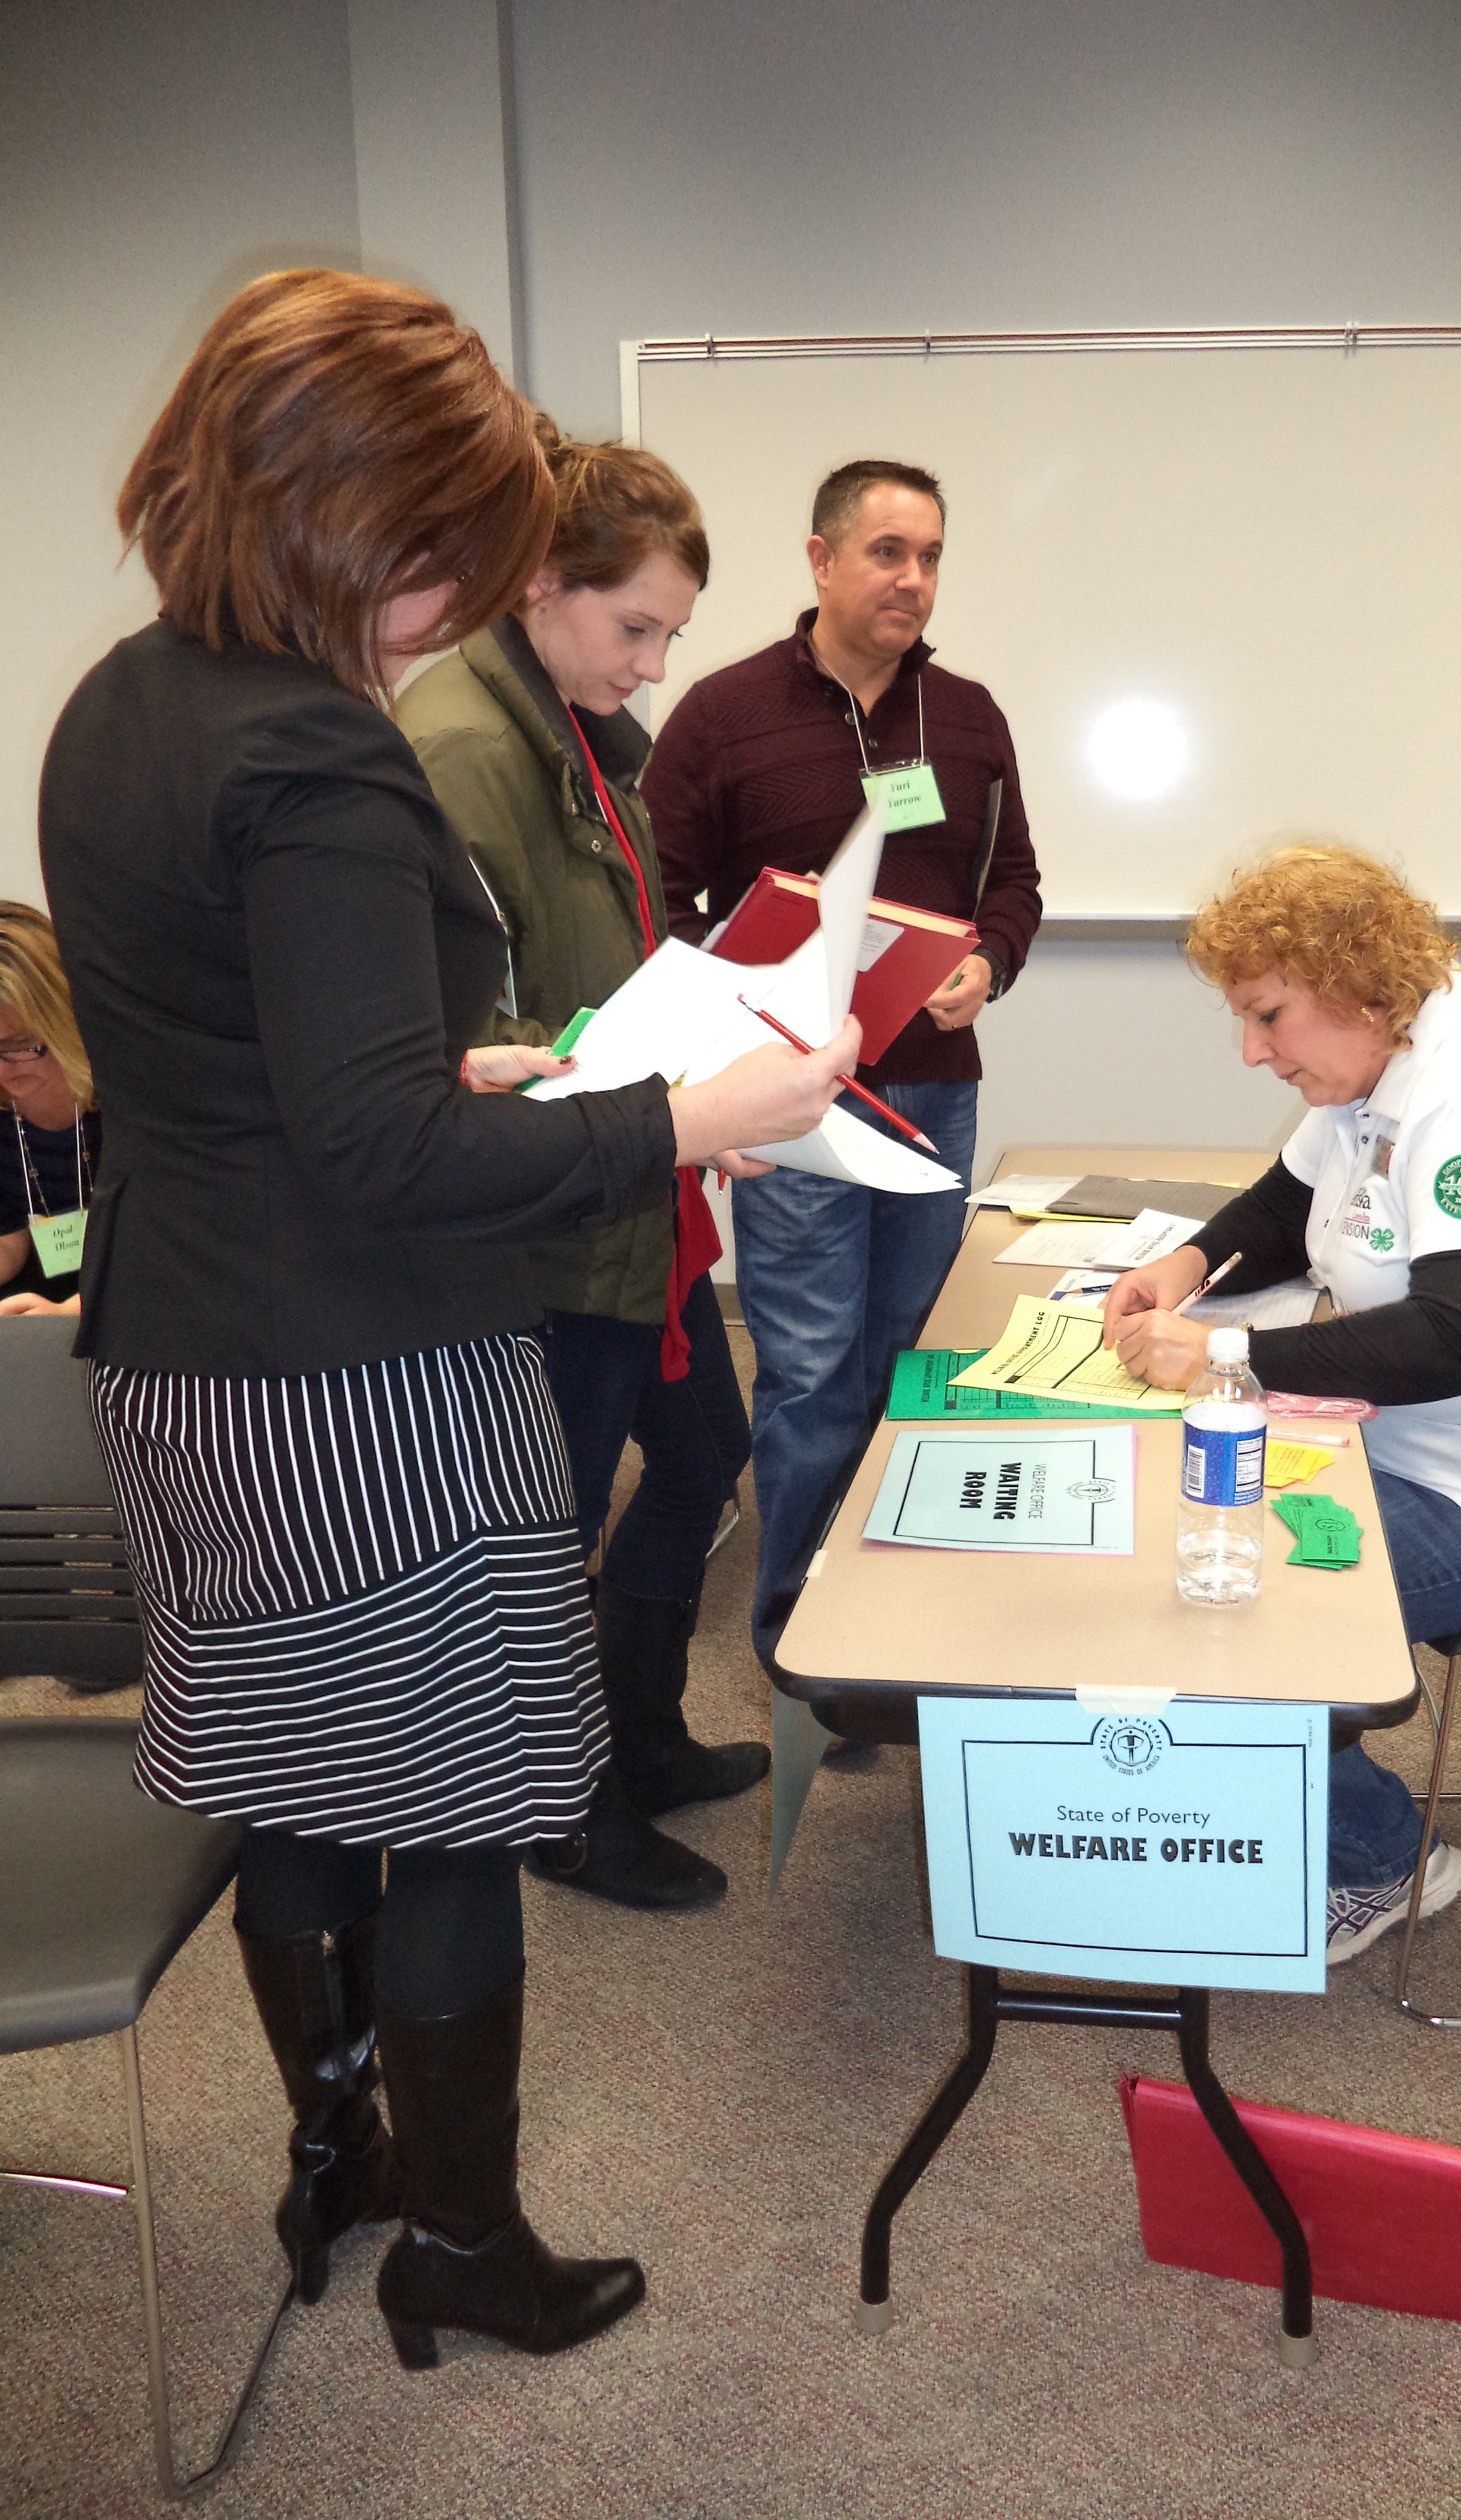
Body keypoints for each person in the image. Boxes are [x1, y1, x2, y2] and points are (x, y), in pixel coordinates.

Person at [38, 268, 857, 2370]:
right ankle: (464, 2240)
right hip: (363, 1373)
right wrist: (692, 1112)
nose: (450, 603)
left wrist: (456, 1066)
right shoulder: (320, 753)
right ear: (349, 517)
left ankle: (343, 2157)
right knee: (463, 1800)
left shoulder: (124, 699)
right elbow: (380, 1161)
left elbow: (260, 1073)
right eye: (439, 560)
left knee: (298, 1787)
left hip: (185, 1352)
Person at [1103, 842, 1461, 1964]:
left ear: (1358, 985)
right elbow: (1284, 1200)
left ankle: (1384, 1861)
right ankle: (1260, 1787)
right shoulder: (1381, 1062)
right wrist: (1187, 1266)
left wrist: (1226, 1353)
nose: (1254, 1052)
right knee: (1173, 1536)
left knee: (1228, 1612)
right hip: (1408, 1448)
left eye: (1269, 1017)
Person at [396, 431, 762, 1914]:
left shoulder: (567, 725)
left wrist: (706, 1054)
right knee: (541, 1543)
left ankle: (645, 1739)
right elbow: (446, 1036)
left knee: (695, 1462)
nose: (657, 663)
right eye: (636, 627)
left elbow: (605, 964)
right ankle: (568, 1807)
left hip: (635, 1199)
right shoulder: (461, 747)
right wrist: (666, 1086)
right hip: (554, 1225)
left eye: (672, 630)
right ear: (538, 581)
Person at [645, 457, 1043, 1668]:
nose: (913, 580)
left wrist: (991, 959)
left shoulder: (968, 716)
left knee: (911, 1366)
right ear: (821, 560)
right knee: (814, 1376)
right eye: (887, 553)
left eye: (930, 557)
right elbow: (652, 900)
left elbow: (1016, 883)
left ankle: (896, 1627)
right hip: (791, 1097)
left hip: (933, 1090)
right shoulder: (721, 713)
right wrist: (726, 1039)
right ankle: (800, 1642)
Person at [0, 903, 98, 1317]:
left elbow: (170, 1251)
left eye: (19, 1045)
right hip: (36, 1299)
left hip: (141, 1297)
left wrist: (70, 1314)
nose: (3, 1070)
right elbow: (9, 1239)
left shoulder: (133, 1104)